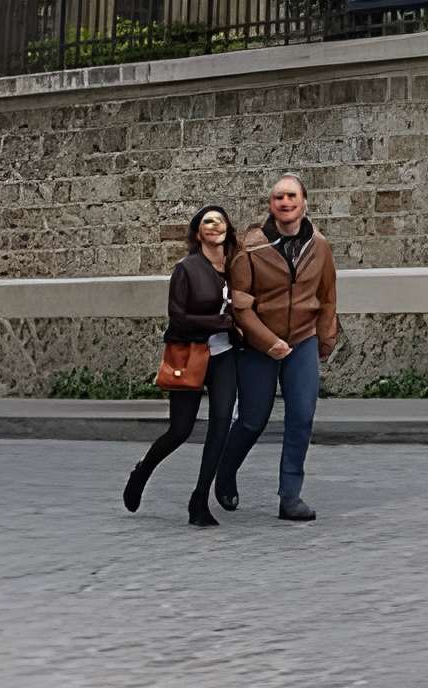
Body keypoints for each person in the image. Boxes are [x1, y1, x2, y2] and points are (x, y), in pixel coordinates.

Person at [218, 176, 339, 519]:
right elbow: (241, 307)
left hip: (302, 340)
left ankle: (290, 497)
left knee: (301, 417)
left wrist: (325, 339)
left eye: (292, 196)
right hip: (259, 343)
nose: (285, 202)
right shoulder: (250, 247)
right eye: (278, 197)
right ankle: (225, 471)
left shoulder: (320, 246)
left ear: (304, 202)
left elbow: (327, 298)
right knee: (253, 420)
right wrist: (268, 343)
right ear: (271, 204)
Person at [129, 206, 240, 521]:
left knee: (221, 426)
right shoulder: (187, 269)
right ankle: (142, 471)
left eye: (220, 220)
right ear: (197, 232)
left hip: (224, 357)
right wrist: (222, 322)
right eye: (207, 220)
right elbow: (177, 316)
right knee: (180, 429)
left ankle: (200, 500)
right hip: (190, 353)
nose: (214, 224)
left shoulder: (237, 268)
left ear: (229, 229)